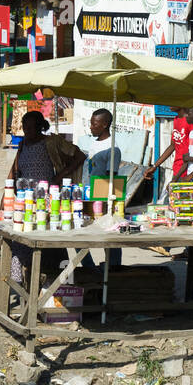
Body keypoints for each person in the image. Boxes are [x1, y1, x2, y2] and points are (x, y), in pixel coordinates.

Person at [6, 110, 86, 285]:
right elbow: (14, 171)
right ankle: (22, 277)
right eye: (24, 128)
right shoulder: (23, 145)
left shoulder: (51, 142)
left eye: (30, 128)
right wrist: (7, 196)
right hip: (25, 199)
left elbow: (79, 155)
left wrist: (60, 176)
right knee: (21, 237)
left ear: (40, 127)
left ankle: (57, 280)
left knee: (48, 238)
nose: (26, 131)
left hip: (47, 200)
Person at [81, 109, 123, 269]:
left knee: (110, 234)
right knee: (81, 232)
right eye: (91, 123)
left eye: (94, 124)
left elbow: (111, 177)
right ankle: (88, 265)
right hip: (90, 192)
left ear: (105, 125)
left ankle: (113, 267)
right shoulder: (96, 141)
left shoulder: (112, 148)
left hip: (103, 197)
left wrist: (103, 203)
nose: (91, 127)